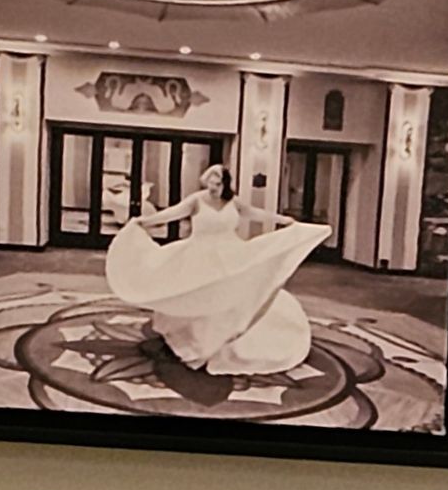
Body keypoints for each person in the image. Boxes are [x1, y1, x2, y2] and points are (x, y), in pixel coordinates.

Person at [103, 162, 330, 378]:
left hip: (230, 252)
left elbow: (255, 213)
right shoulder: (197, 200)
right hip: (199, 254)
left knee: (237, 291)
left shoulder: (233, 202)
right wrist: (144, 222)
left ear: (224, 183)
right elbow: (173, 213)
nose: (213, 186)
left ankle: (233, 340)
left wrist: (283, 220)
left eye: (217, 182)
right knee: (199, 294)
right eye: (210, 182)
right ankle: (195, 342)